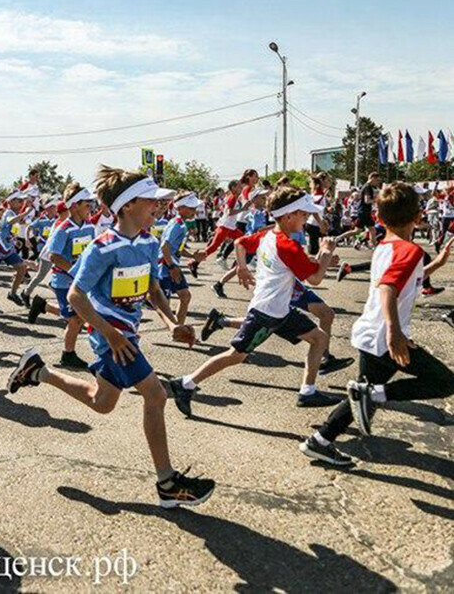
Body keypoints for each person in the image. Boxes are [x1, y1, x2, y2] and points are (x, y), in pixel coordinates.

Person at [8, 167, 214, 507]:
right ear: (128, 205)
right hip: (111, 339)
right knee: (157, 394)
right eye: (151, 201)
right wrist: (111, 336)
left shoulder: (148, 242)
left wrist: (170, 322)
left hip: (126, 335)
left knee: (101, 403)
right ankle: (167, 483)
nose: (158, 207)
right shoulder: (101, 248)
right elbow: (76, 296)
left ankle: (37, 371)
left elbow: (152, 287)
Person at [301, 183, 454, 466]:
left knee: (361, 395)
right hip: (385, 337)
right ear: (419, 217)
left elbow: (405, 280)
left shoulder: (387, 246)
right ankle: (367, 398)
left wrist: (436, 266)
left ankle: (319, 442)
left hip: (371, 333)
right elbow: (388, 288)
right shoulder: (409, 251)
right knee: (444, 382)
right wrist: (395, 334)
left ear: (380, 220)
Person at [168, 187, 339, 415]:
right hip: (267, 312)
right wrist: (326, 254)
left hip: (279, 310)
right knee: (236, 356)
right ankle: (185, 383)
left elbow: (241, 244)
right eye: (303, 213)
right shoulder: (288, 245)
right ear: (288, 216)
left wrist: (242, 267)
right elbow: (315, 279)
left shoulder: (270, 235)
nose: (307, 218)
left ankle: (307, 392)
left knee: (319, 338)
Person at [27, 183, 95, 369]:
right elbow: (53, 255)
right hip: (63, 282)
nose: (90, 206)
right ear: (74, 206)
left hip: (80, 281)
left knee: (78, 318)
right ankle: (68, 355)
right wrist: (74, 270)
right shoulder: (63, 229)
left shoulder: (89, 227)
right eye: (86, 203)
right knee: (75, 320)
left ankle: (43, 306)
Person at [157, 192, 206, 325]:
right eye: (191, 208)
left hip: (172, 264)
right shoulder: (176, 225)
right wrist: (172, 267)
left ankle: (179, 329)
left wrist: (193, 256)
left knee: (185, 296)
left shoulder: (182, 224)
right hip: (165, 266)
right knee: (164, 304)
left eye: (195, 208)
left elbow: (177, 248)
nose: (194, 211)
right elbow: (164, 247)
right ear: (179, 208)